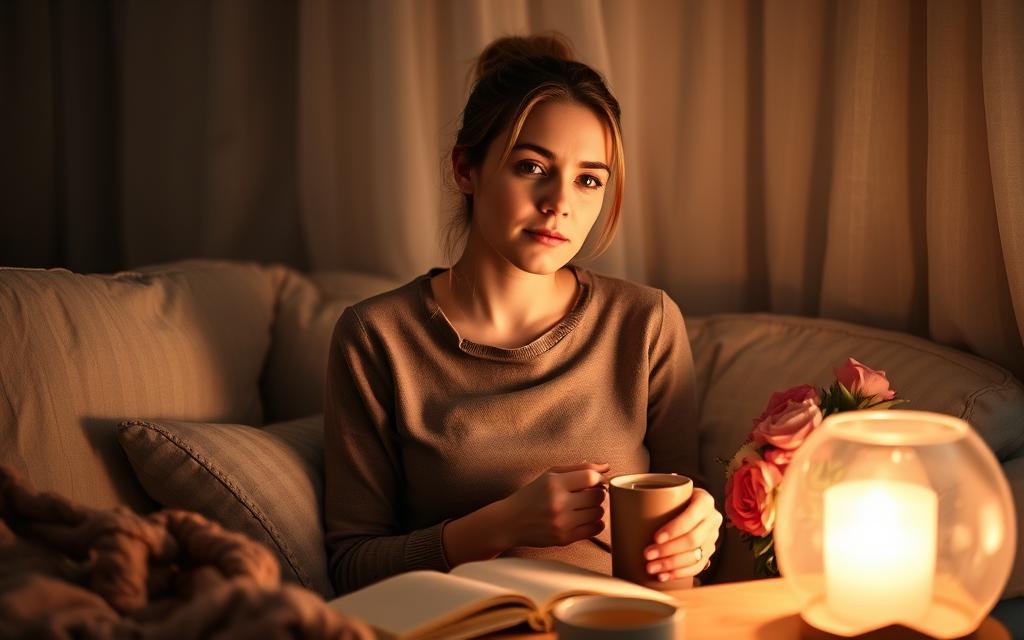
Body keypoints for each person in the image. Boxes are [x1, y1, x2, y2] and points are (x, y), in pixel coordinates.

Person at [323, 32, 723, 596]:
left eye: (589, 179)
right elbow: (351, 567)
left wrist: (703, 528)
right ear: (467, 169)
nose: (560, 202)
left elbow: (690, 513)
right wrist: (501, 524)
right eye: (532, 166)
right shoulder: (377, 337)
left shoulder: (646, 322)